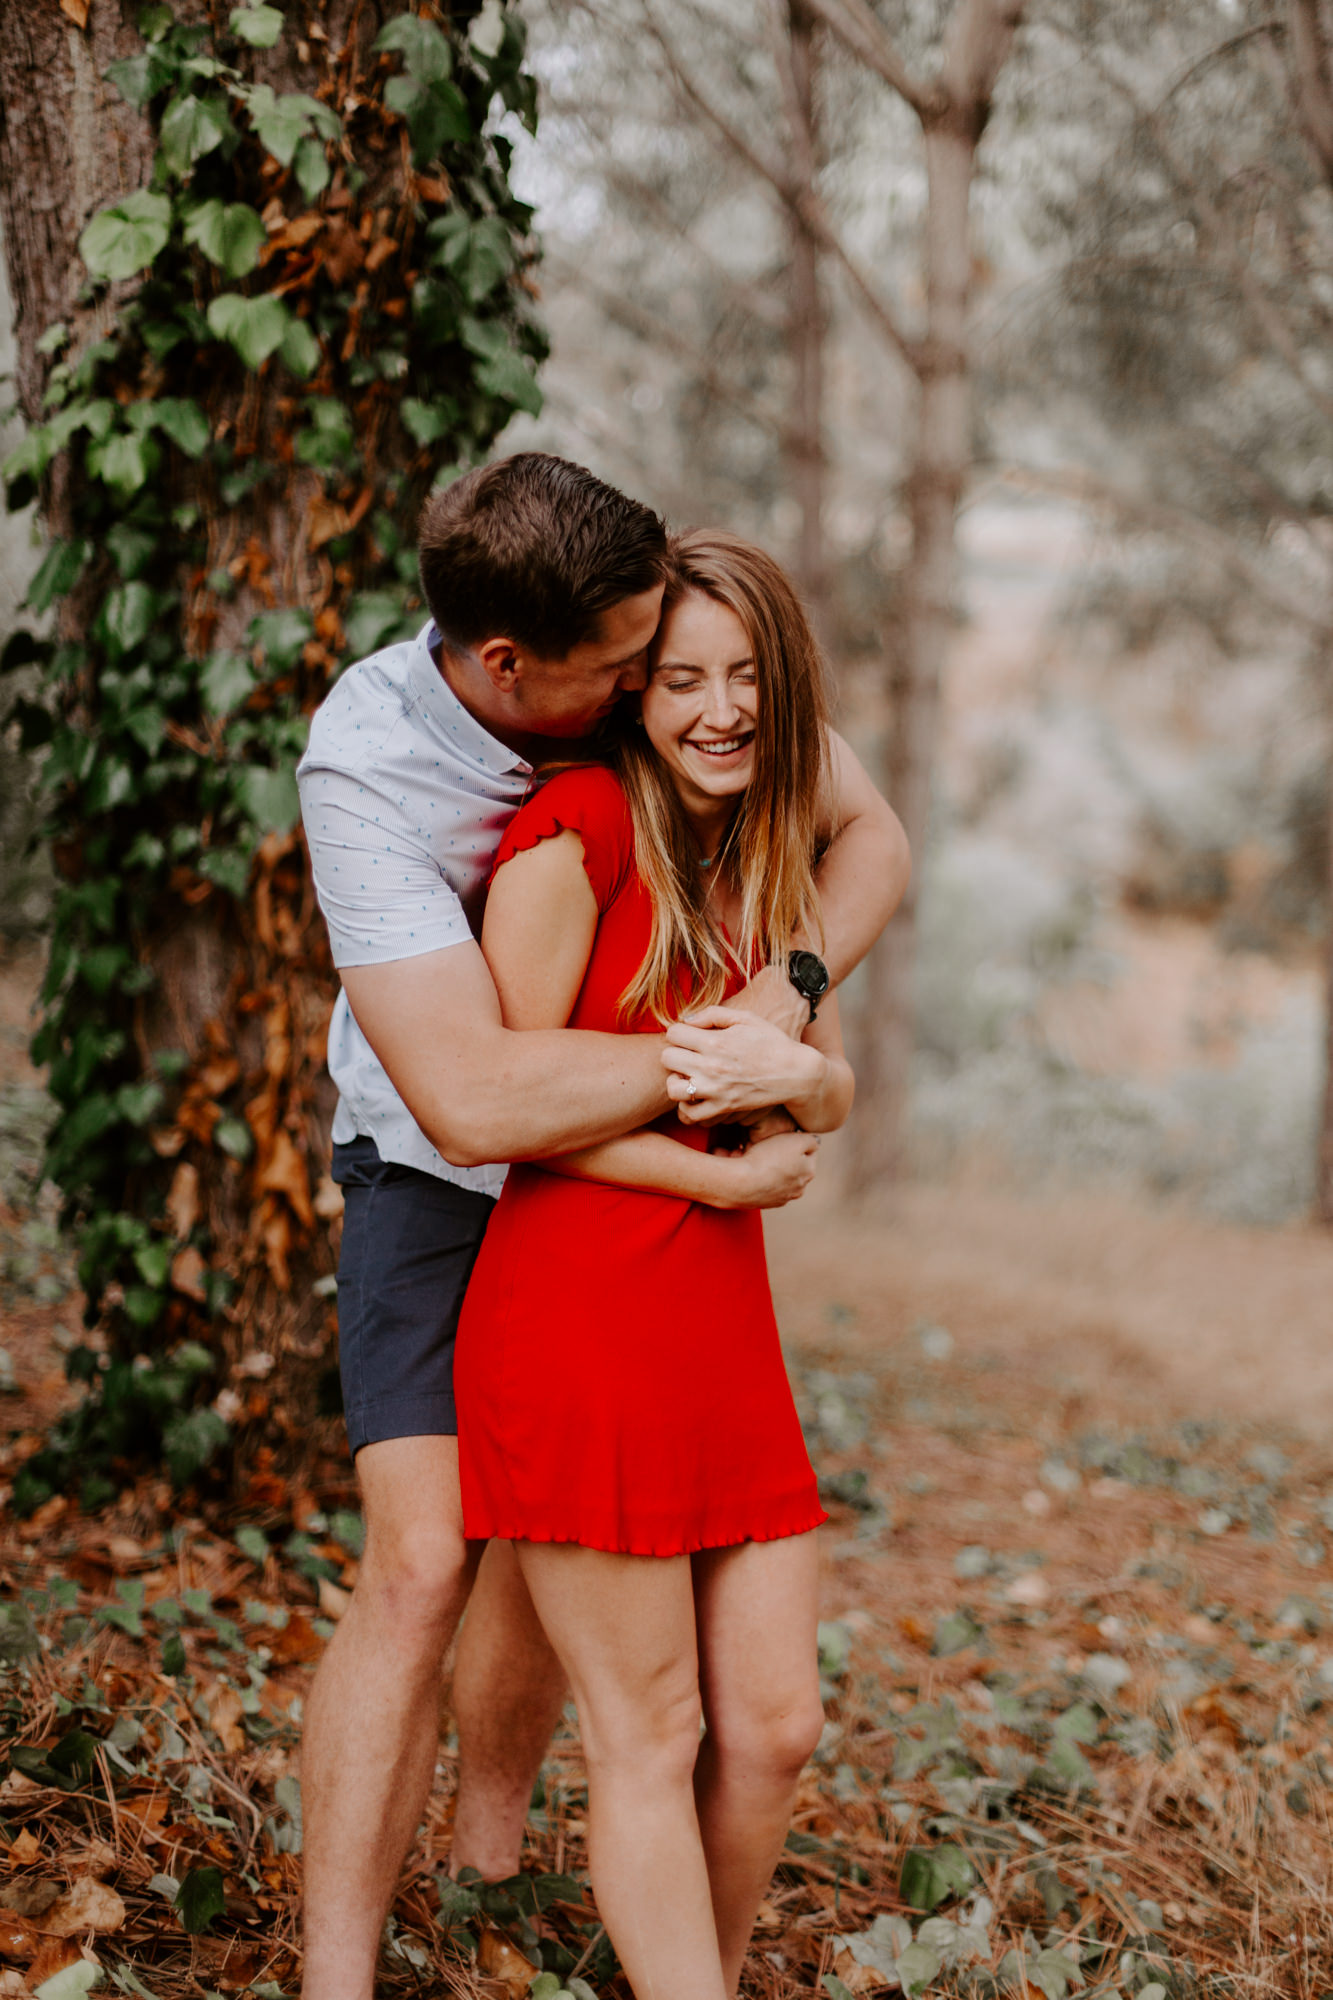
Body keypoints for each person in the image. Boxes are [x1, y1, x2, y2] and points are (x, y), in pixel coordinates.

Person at [295, 454, 910, 2000]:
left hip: (627, 1194)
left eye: (696, 659)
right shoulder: (377, 767)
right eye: (639, 665)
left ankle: (491, 1861)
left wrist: (787, 1007)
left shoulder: (675, 695)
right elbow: (474, 1107)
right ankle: (333, 1973)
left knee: (573, 1575)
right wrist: (719, 1089)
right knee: (430, 1561)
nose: (679, 686)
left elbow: (871, 834)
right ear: (522, 669)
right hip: (440, 1163)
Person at [455, 528, 855, 2000]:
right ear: (631, 694)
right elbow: (503, 1115)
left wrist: (806, 1090)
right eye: (682, 677)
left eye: (747, 675)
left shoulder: (747, 856)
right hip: (577, 1321)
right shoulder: (576, 833)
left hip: (714, 1332)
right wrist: (723, 1167)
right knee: (650, 1728)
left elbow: (817, 1077)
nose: (719, 708)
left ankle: (696, 1973)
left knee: (774, 1725)